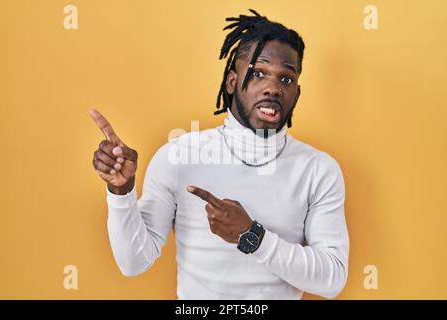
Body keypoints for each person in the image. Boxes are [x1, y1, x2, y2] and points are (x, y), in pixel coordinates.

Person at [90, 9, 349, 299]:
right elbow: (133, 262)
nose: (273, 88)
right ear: (231, 82)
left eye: (286, 79)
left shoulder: (318, 170)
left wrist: (252, 237)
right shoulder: (177, 157)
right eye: (258, 73)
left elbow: (332, 279)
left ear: (297, 94)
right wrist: (121, 191)